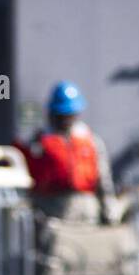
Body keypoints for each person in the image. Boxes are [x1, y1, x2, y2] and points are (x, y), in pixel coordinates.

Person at [15, 81, 115, 224]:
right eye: (61, 115)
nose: (66, 119)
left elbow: (104, 180)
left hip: (86, 212)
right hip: (51, 211)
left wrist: (109, 211)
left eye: (70, 114)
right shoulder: (39, 141)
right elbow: (29, 176)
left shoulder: (91, 140)